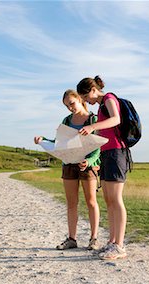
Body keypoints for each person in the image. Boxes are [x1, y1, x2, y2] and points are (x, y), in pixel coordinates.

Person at [34, 89, 101, 251]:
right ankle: (72, 239)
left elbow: (98, 147)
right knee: (71, 204)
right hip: (68, 165)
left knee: (91, 202)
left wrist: (89, 161)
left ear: (80, 99)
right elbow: (59, 143)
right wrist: (43, 140)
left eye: (71, 103)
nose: (70, 108)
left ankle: (94, 239)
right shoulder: (66, 120)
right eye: (66, 106)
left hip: (87, 166)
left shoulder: (93, 119)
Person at [77, 76, 129, 260]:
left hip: (116, 152)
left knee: (116, 199)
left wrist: (92, 127)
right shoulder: (100, 107)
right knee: (108, 200)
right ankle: (112, 242)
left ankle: (120, 246)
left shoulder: (108, 98)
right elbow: (103, 130)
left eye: (86, 98)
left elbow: (115, 119)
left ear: (92, 90)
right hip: (106, 153)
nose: (88, 103)